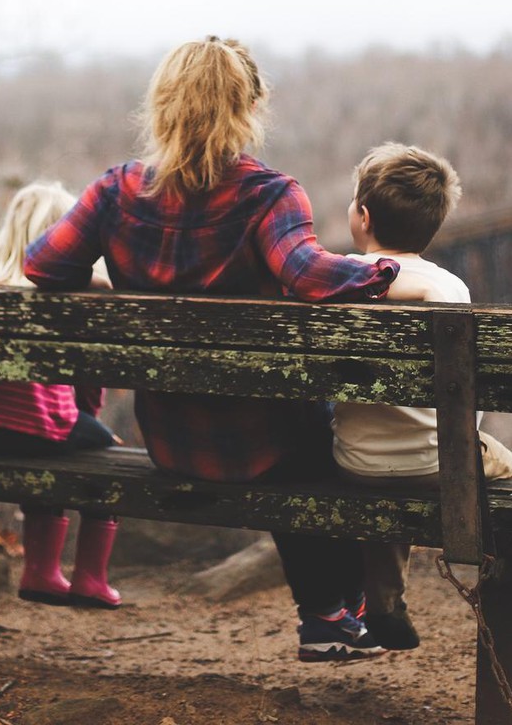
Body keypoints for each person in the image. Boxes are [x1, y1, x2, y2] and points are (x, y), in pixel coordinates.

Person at [24, 36, 408, 661]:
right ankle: (334, 613)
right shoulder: (269, 195)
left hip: (171, 441)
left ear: (162, 105)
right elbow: (309, 275)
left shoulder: (115, 191)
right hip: (266, 447)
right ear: (248, 107)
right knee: (319, 432)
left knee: (299, 429)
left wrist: (99, 280)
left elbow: (41, 265)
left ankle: (336, 615)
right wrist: (388, 272)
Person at [332, 142, 512, 650]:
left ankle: (385, 602)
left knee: (392, 457)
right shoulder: (450, 288)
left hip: (354, 460)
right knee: (489, 459)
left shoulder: (339, 280)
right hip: (441, 463)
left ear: (362, 216)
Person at [0, 181, 122, 609]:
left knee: (49, 442)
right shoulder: (66, 298)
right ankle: (89, 579)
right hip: (40, 428)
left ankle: (41, 572)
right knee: (106, 454)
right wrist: (93, 425)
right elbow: (87, 383)